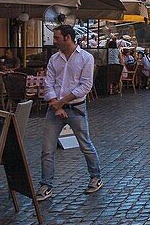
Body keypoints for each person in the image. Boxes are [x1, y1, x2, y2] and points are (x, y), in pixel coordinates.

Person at [38, 24, 102, 200]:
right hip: (54, 110)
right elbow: (48, 82)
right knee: (47, 149)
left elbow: (86, 86)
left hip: (76, 108)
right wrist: (55, 104)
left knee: (85, 144)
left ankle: (95, 177)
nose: (54, 40)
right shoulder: (54, 59)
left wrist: (62, 102)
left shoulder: (86, 58)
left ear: (68, 37)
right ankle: (46, 185)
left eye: (57, 37)